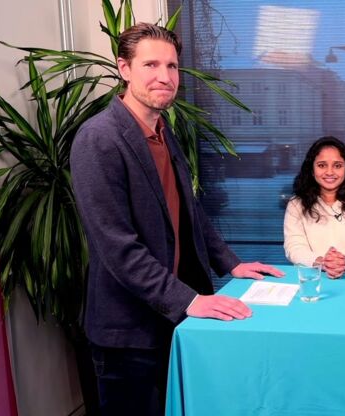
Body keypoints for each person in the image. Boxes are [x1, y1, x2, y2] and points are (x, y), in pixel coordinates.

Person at [70, 23, 284, 416]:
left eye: (172, 66)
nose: (165, 77)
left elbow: (190, 212)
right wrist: (189, 301)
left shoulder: (163, 133)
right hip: (128, 333)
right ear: (124, 69)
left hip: (169, 320)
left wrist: (231, 263)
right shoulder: (98, 138)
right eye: (151, 64)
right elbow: (118, 248)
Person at [283, 136, 345, 278]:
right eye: (322, 165)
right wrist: (322, 263)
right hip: (313, 278)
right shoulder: (296, 204)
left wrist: (340, 264)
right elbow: (294, 247)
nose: (329, 172)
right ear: (312, 169)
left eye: (337, 165)